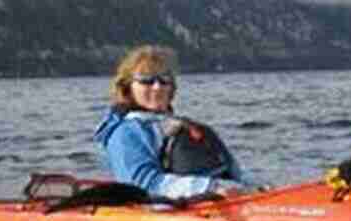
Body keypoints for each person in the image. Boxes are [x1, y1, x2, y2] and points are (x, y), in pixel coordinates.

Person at [93, 45, 254, 206]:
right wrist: (210, 187)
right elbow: (143, 185)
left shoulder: (184, 125)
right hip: (171, 212)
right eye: (146, 81)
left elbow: (235, 173)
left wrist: (253, 189)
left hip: (219, 202)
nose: (157, 87)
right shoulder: (125, 132)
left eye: (164, 80)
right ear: (127, 88)